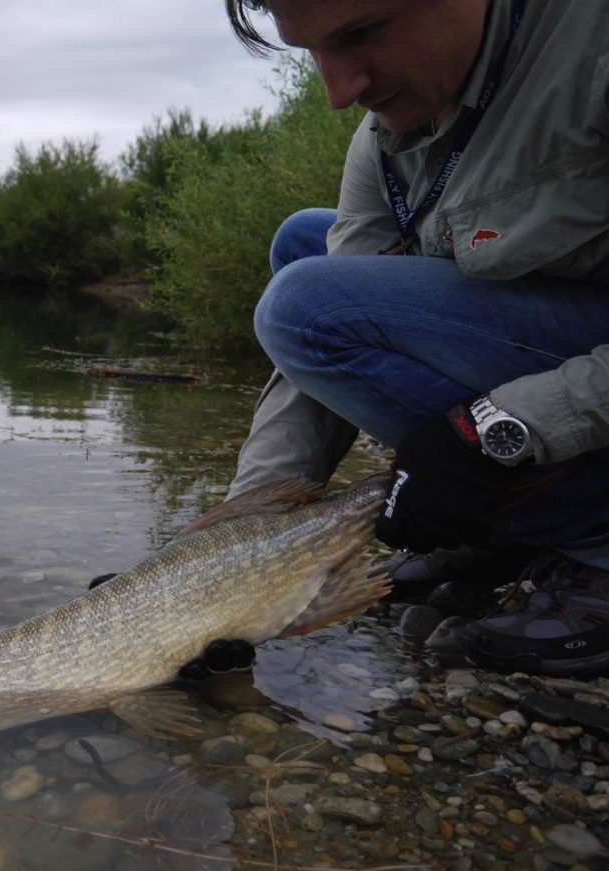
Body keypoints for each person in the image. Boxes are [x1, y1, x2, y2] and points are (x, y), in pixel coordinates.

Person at [212, 0, 609, 677]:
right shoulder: (384, 141)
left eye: (362, 34)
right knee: (305, 246)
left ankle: (591, 539)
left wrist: (496, 433)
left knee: (304, 300)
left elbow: (308, 316)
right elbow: (307, 350)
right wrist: (231, 554)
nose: (339, 93)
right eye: (311, 52)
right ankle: (506, 527)